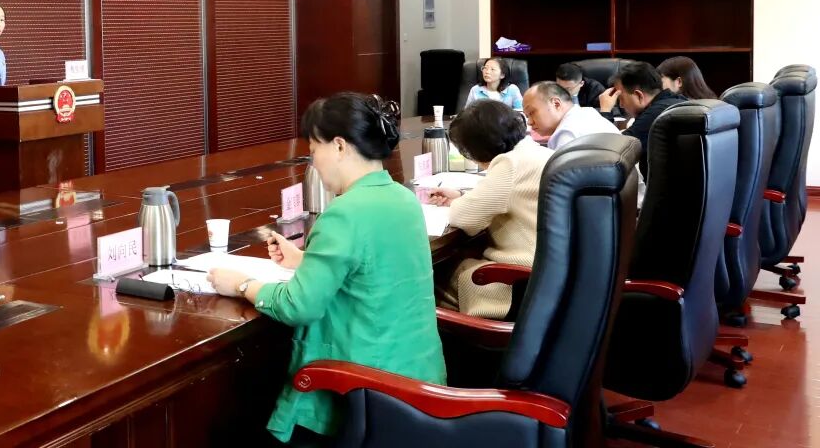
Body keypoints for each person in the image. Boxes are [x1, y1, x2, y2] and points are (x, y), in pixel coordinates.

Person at [207, 93, 445, 445]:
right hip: (418, 380)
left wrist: (242, 285)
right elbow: (375, 267)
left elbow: (298, 305)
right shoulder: (403, 199)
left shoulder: (344, 213)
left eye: (314, 149)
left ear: (339, 146)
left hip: (366, 395)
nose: (313, 161)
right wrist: (306, 260)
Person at [427, 100, 552, 319]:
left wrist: (458, 203)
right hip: (548, 276)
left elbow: (462, 217)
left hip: (517, 283)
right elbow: (509, 197)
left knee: (429, 277)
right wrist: (462, 196)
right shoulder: (539, 153)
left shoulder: (511, 163)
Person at [599, 61, 686, 179]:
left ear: (639, 96)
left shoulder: (656, 115)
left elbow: (611, 151)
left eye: (621, 98)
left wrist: (605, 111)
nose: (621, 105)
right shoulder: (676, 100)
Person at [522, 81, 618, 150]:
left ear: (556, 104)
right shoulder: (587, 113)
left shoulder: (566, 133)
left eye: (532, 112)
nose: (529, 122)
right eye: (527, 116)